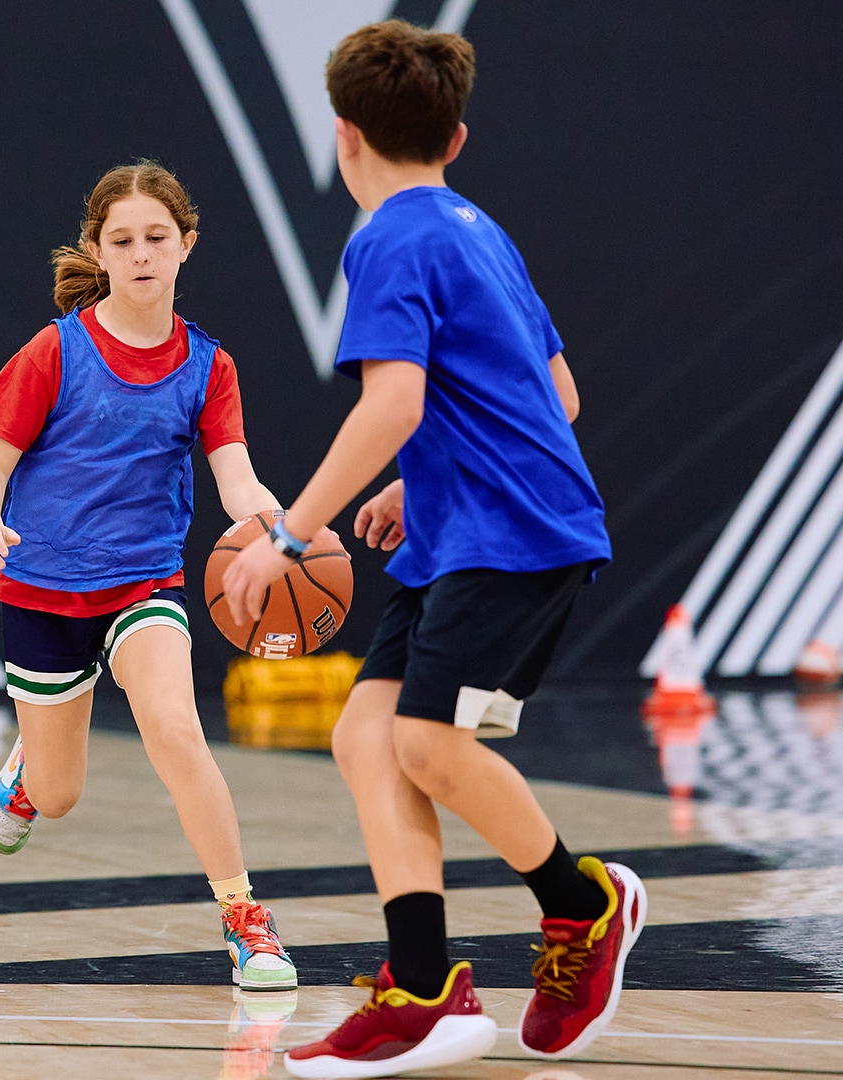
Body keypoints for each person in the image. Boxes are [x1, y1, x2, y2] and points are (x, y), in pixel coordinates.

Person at [220, 21, 641, 1077]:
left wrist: (288, 534)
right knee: (367, 737)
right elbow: (556, 392)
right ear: (455, 139)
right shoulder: (476, 228)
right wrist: (425, 479)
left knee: (426, 745)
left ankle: (585, 907)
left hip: (513, 535)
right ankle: (422, 990)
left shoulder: (388, 240)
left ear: (342, 135)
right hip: (467, 528)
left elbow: (394, 402)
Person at [0, 161, 300, 991]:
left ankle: (246, 923)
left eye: (157, 237)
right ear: (97, 251)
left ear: (187, 245)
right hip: (42, 589)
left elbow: (236, 479)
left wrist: (279, 523)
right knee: (60, 794)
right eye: (123, 240)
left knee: (176, 730)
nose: (141, 253)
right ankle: (28, 776)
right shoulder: (56, 349)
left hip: (145, 583)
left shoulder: (209, 367)